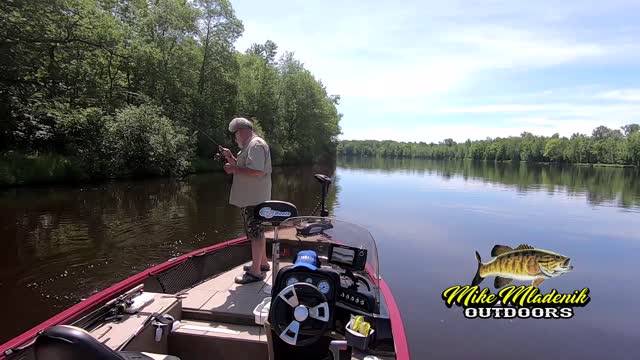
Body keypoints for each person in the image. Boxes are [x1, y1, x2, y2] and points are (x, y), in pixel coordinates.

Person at [219, 117, 273, 284]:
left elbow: (256, 171)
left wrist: (233, 168)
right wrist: (230, 158)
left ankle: (255, 272)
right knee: (258, 231)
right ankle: (262, 264)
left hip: (254, 200)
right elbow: (247, 167)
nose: (235, 138)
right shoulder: (251, 145)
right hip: (252, 198)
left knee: (255, 234)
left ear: (242, 131)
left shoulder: (255, 144)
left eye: (235, 135)